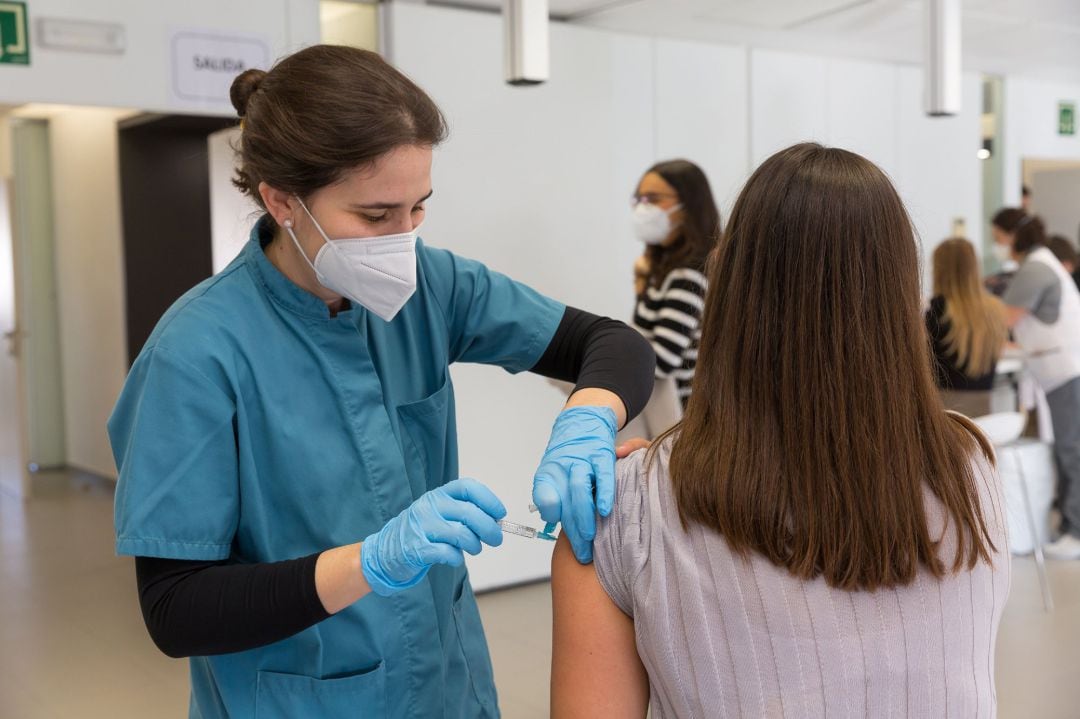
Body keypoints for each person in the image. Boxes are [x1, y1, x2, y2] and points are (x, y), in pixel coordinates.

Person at [108, 46, 655, 719]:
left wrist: (589, 416)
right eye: (375, 216)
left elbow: (609, 343)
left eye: (418, 207)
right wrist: (368, 562)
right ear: (282, 200)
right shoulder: (197, 353)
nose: (403, 238)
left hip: (448, 691)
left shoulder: (434, 287)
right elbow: (176, 608)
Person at [551, 143, 1009, 718]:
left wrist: (631, 487)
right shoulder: (971, 467)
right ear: (904, 295)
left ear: (729, 289)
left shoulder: (619, 511)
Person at [999, 216, 1080, 560]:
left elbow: (1002, 320)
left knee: (1071, 451)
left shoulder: (1035, 270)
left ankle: (1075, 531)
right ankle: (1070, 526)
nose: (1000, 245)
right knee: (1069, 449)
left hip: (1067, 370)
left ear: (1012, 236)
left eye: (999, 237)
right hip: (1061, 369)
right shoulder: (1043, 263)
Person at [630, 160, 719, 408]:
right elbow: (644, 338)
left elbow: (660, 362)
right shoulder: (664, 269)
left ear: (688, 205)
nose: (642, 208)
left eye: (653, 199)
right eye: (639, 199)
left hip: (679, 415)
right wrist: (641, 289)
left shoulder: (688, 275)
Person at [926, 238, 1008, 417]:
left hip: (946, 413)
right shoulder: (994, 310)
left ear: (940, 270)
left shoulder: (939, 311)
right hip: (984, 415)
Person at [985, 207, 1027, 296]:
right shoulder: (1023, 266)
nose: (996, 245)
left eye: (997, 238)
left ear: (1013, 236)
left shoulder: (1033, 268)